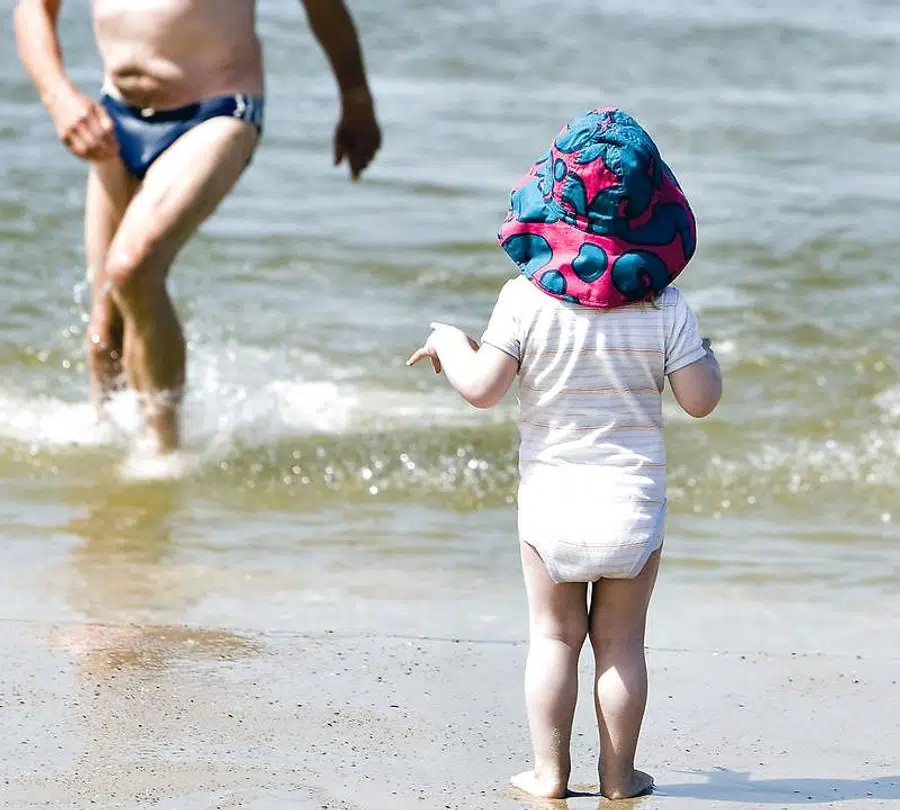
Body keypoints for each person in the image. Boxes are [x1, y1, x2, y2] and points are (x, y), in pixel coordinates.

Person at [406, 107, 723, 800]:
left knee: (554, 641)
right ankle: (619, 776)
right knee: (622, 646)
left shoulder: (524, 300)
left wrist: (448, 342)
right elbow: (700, 400)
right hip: (633, 507)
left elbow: (483, 389)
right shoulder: (665, 308)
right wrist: (705, 353)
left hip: (552, 505)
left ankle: (550, 773)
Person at [13, 0, 382, 454]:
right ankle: (107, 464)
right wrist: (59, 97)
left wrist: (356, 99)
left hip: (216, 112)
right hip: (115, 116)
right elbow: (34, 8)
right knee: (104, 335)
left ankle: (163, 453)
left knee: (132, 268)